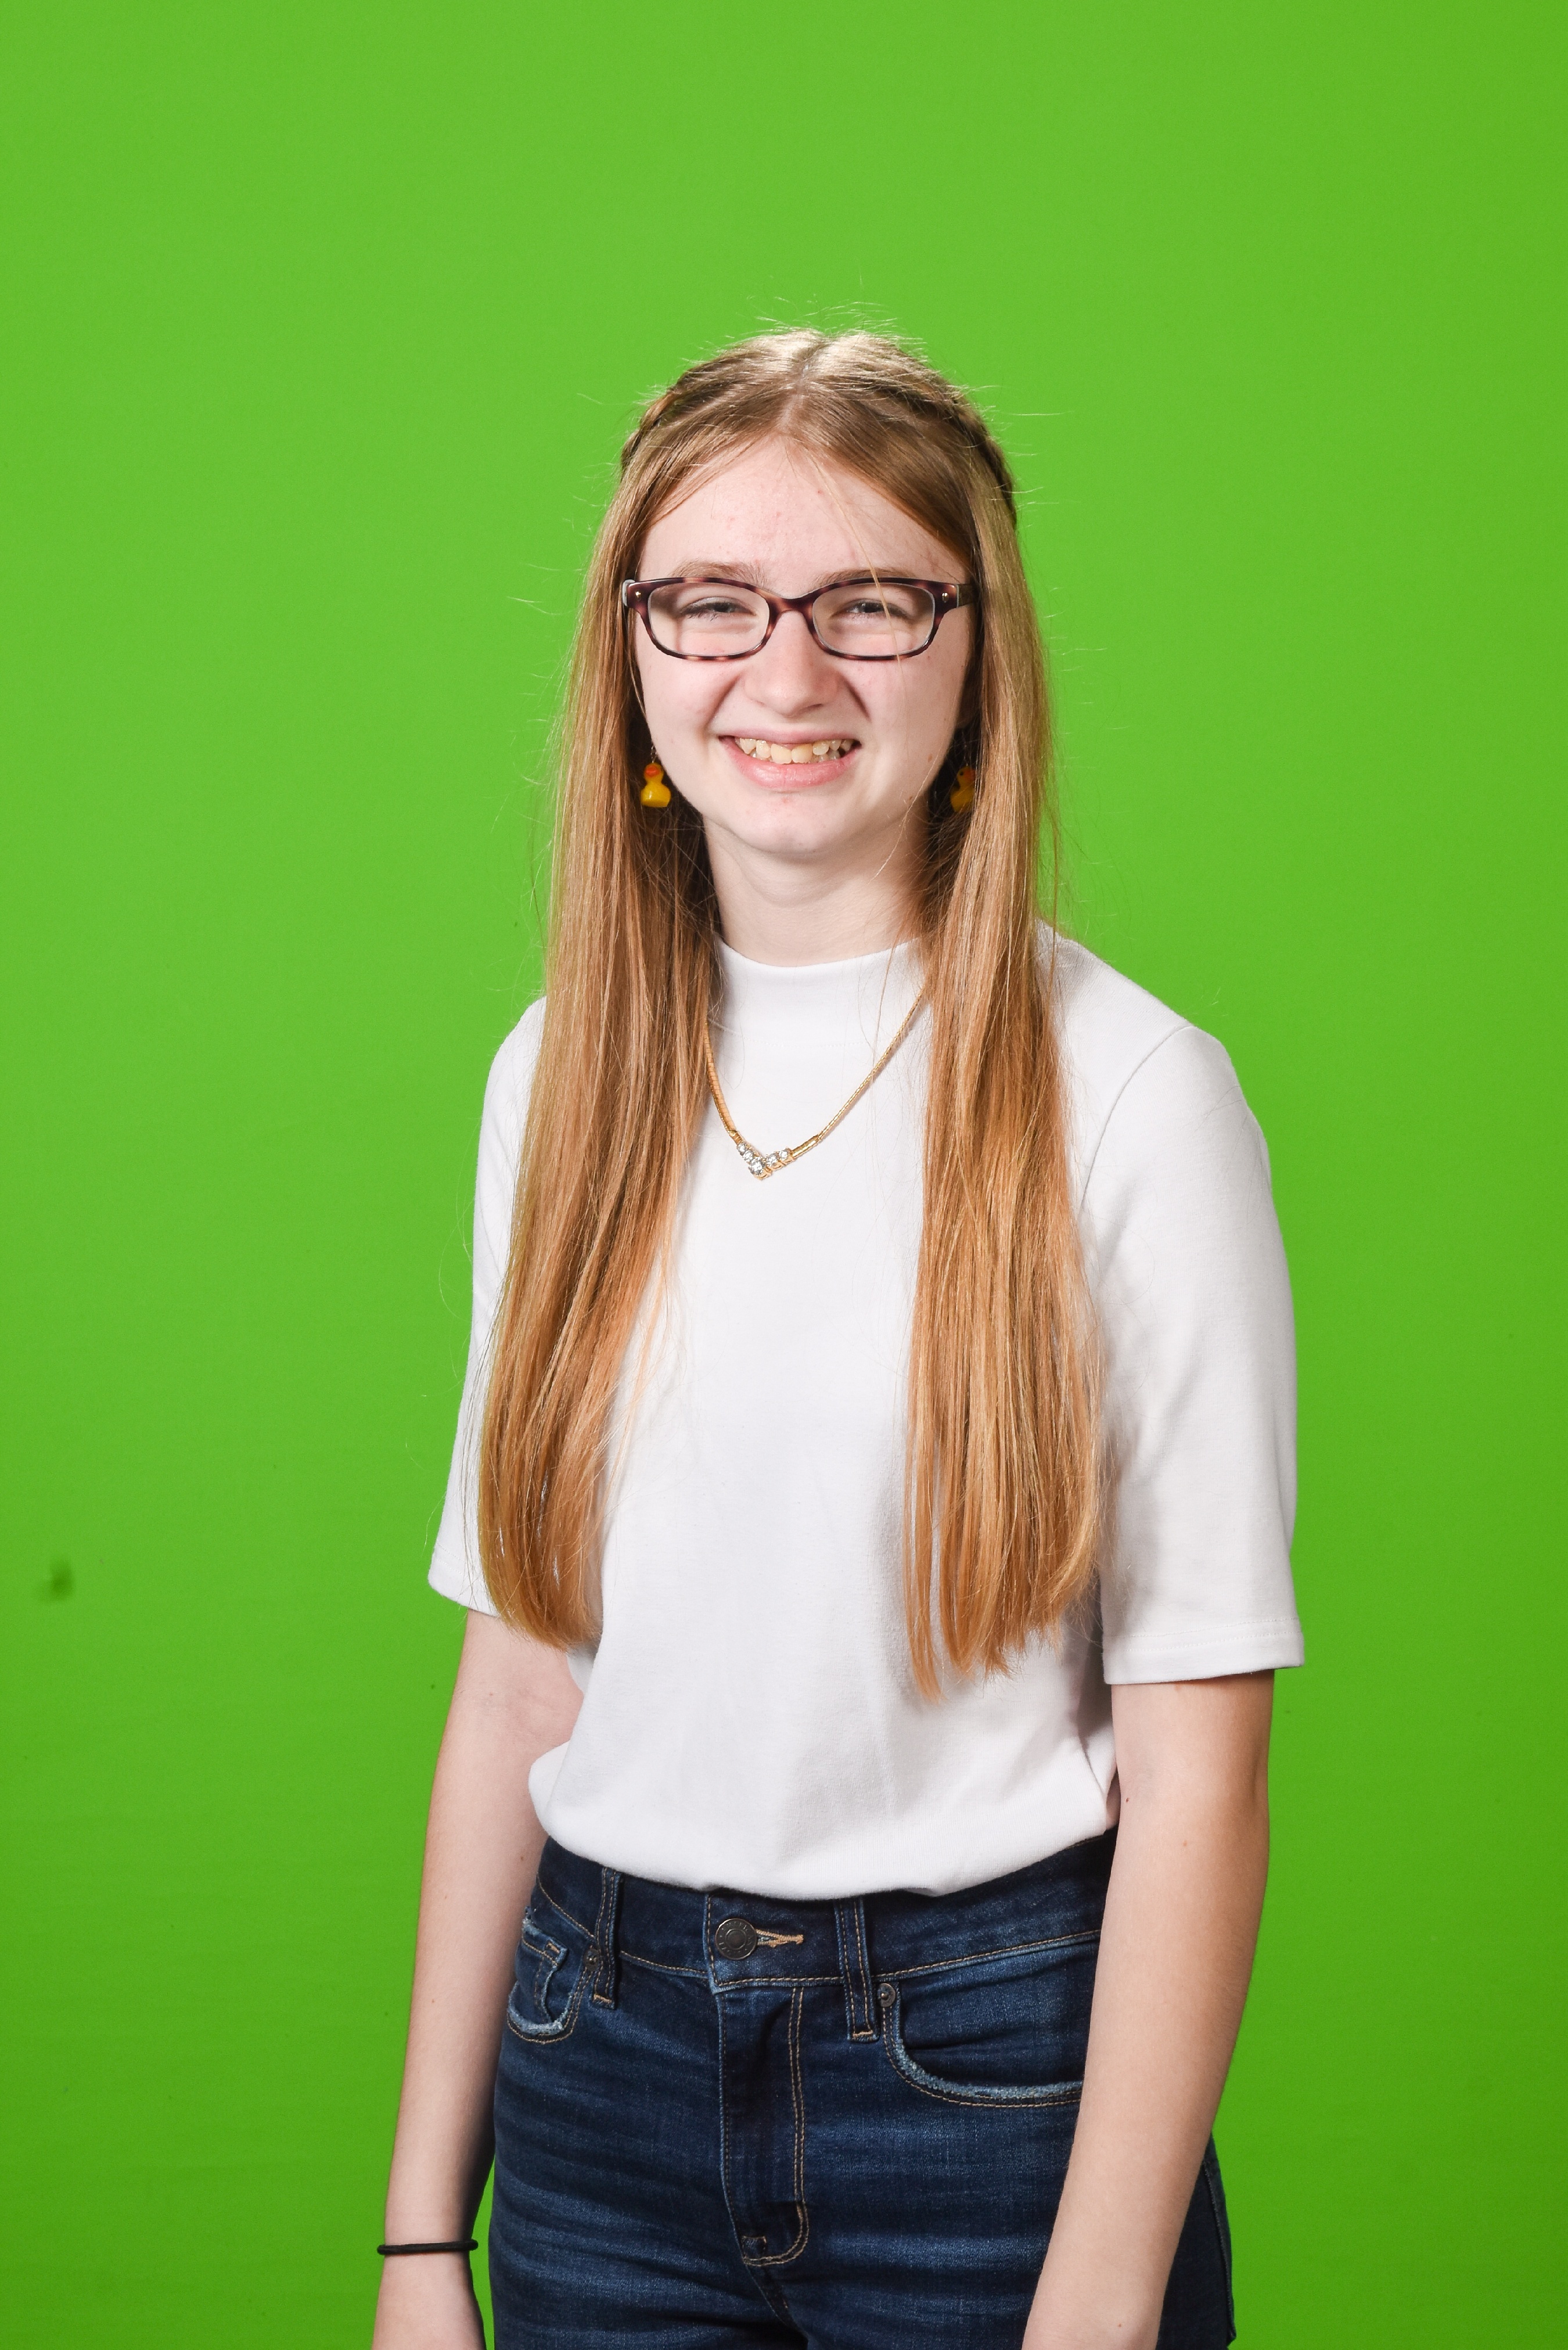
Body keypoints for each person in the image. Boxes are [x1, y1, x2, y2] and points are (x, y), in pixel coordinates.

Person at [371, 329, 1302, 2350]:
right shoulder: (557, 1078)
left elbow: (1197, 1770)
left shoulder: (1129, 1099)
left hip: (996, 2091)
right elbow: (520, 1681)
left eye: (871, 602)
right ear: (631, 650)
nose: (783, 674)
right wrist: (420, 2240)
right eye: (710, 601)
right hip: (594, 2069)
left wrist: (1095, 2302)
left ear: (974, 657)